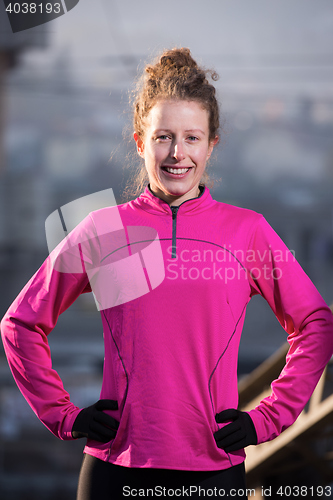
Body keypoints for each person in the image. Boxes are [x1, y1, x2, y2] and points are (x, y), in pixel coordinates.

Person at [1, 48, 333, 500]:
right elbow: (20, 324)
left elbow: (316, 323)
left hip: (213, 471)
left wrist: (268, 417)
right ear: (140, 142)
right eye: (163, 138)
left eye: (192, 138)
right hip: (114, 472)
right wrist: (66, 415)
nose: (178, 154)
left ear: (212, 143)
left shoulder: (248, 232)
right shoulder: (103, 229)